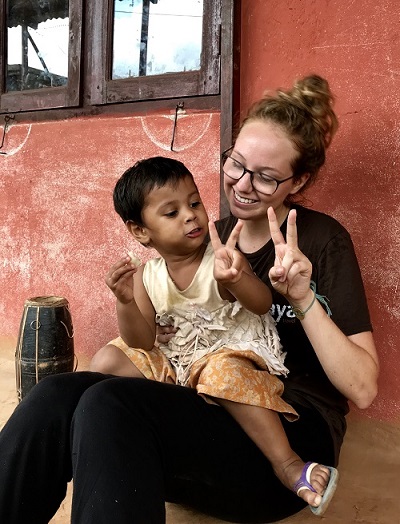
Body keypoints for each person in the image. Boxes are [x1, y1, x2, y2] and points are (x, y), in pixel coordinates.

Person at [0, 74, 378, 524]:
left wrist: (301, 296)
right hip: (198, 410)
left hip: (291, 434)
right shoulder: (199, 240)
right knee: (56, 394)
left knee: (110, 406)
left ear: (298, 180)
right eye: (236, 163)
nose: (241, 184)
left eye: (266, 177)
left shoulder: (320, 241)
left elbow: (363, 388)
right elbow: (152, 339)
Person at [92, 156, 339, 512]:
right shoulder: (146, 276)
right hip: (180, 355)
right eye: (171, 212)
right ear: (140, 231)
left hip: (230, 350)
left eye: (194, 202)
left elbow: (261, 303)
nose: (191, 215)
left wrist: (238, 279)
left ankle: (287, 463)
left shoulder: (220, 259)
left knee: (221, 374)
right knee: (107, 359)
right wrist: (126, 301)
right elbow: (141, 342)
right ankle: (147, 426)